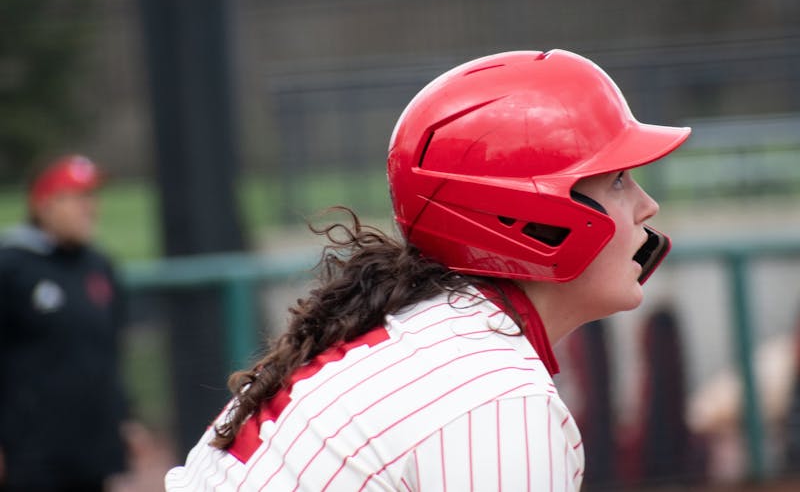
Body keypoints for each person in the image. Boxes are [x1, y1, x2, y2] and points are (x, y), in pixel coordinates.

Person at [165, 49, 691, 491]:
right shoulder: (495, 394)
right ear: (529, 216)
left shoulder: (428, 333)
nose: (648, 206)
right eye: (618, 180)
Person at [0, 155, 129, 491]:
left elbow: (109, 353)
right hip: (31, 456)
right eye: (77, 197)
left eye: (92, 196)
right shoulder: (11, 267)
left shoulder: (99, 266)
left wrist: (126, 417)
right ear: (44, 205)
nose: (90, 207)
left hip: (90, 451)